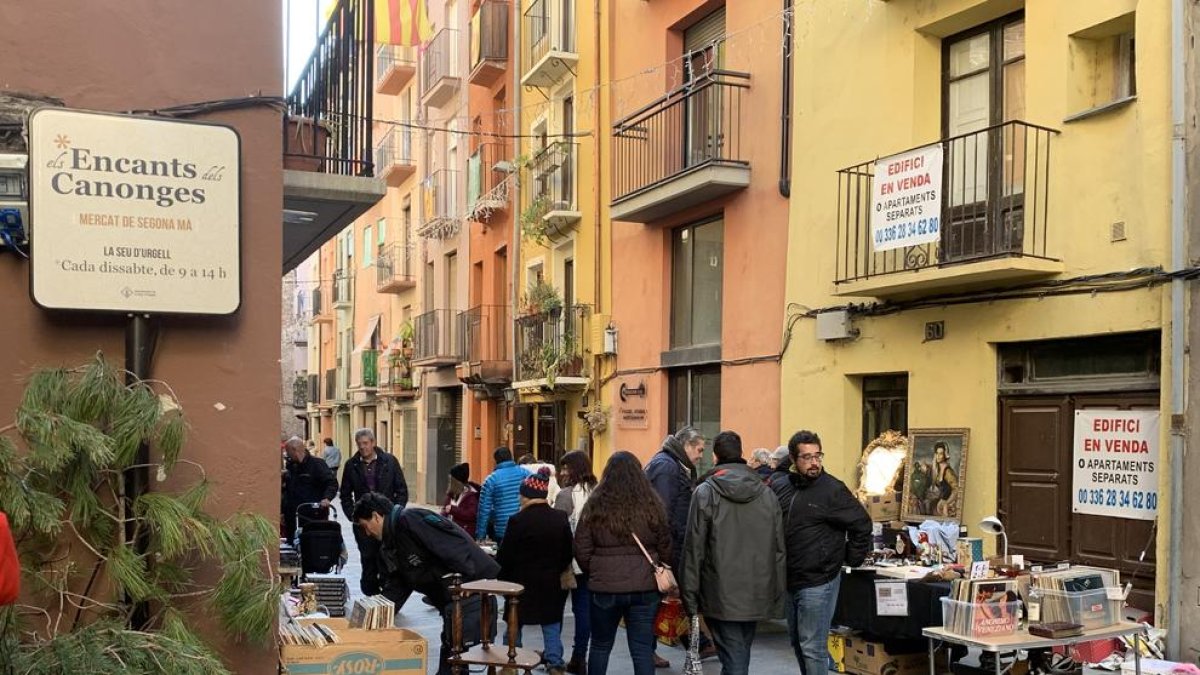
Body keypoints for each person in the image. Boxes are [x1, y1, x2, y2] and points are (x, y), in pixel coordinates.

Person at [352, 493, 500, 675]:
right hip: (449, 599)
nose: (367, 533)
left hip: (466, 589)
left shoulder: (411, 520)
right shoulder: (393, 541)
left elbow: (455, 546)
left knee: (455, 651)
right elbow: (400, 583)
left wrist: (465, 582)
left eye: (366, 527)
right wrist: (378, 612)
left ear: (376, 516)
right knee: (454, 650)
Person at [682, 431, 786, 675]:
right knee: (739, 654)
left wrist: (689, 596)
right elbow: (778, 548)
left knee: (734, 658)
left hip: (719, 589)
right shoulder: (767, 493)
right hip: (757, 587)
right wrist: (777, 591)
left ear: (715, 456)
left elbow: (694, 547)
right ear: (741, 454)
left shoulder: (706, 492)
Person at [769, 430, 871, 675]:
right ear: (794, 459)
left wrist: (849, 557)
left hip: (819, 580)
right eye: (807, 457)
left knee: (812, 647)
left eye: (818, 456)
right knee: (797, 641)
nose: (814, 462)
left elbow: (862, 524)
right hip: (791, 578)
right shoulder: (781, 485)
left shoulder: (832, 489)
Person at [575, 451, 672, 675]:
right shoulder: (651, 503)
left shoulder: (595, 504)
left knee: (600, 646)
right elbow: (665, 543)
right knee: (641, 648)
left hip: (605, 588)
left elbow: (581, 547)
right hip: (645, 587)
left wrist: (597, 570)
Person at [497, 468, 575, 675]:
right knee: (551, 623)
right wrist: (555, 569)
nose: (519, 498)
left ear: (527, 495)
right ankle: (555, 663)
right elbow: (568, 552)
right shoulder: (559, 518)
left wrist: (503, 578)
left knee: (515, 622)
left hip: (520, 584)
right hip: (550, 582)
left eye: (521, 494)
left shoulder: (517, 521)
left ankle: (511, 662)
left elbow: (505, 555)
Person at [644, 426, 708, 667]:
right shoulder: (668, 467)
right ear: (687, 446)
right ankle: (695, 644)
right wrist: (666, 554)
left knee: (674, 596)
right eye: (699, 450)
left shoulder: (669, 464)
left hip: (671, 543)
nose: (701, 455)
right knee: (665, 597)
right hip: (668, 546)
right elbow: (664, 512)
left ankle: (698, 643)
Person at [339, 428, 409, 600]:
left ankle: (387, 595)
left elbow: (401, 490)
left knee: (387, 558)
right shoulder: (351, 465)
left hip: (387, 522)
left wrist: (395, 513)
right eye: (359, 444)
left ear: (373, 443)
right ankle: (370, 592)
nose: (363, 447)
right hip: (364, 524)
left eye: (366, 443)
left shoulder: (390, 462)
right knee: (368, 558)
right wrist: (353, 516)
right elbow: (345, 494)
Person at [554, 450, 598, 674]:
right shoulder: (598, 492)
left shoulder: (565, 495)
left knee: (556, 609)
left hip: (568, 561)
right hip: (592, 560)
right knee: (584, 611)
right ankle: (580, 656)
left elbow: (557, 530)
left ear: (575, 469)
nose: (562, 473)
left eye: (565, 468)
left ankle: (555, 656)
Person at [281, 436, 338, 541]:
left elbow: (331, 483)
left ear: (294, 450)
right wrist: (283, 512)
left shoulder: (317, 464)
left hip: (313, 515)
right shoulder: (291, 467)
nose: (286, 455)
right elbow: (287, 492)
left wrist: (327, 498)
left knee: (313, 546)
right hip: (293, 517)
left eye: (288, 452)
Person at [476, 446, 529, 543]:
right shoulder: (525, 473)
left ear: (496, 461)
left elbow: (484, 510)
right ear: (511, 457)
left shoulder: (491, 480)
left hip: (502, 530)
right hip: (525, 527)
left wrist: (480, 536)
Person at [441, 462, 480, 535]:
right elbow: (445, 509)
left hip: (464, 535)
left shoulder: (471, 495)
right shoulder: (451, 493)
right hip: (450, 533)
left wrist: (453, 510)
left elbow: (471, 514)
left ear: (456, 482)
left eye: (451, 480)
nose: (449, 482)